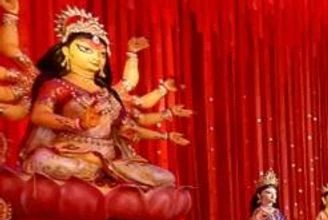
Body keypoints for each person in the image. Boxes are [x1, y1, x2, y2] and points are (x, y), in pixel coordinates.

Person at [0, 2, 188, 187]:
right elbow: (39, 115)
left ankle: (103, 176)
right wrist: (78, 123)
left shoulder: (110, 94)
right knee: (46, 163)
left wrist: (155, 135)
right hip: (67, 153)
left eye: (102, 53)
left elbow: (128, 123)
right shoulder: (55, 85)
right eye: (85, 49)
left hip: (106, 159)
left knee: (164, 178)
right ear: (66, 52)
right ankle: (103, 183)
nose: (96, 57)